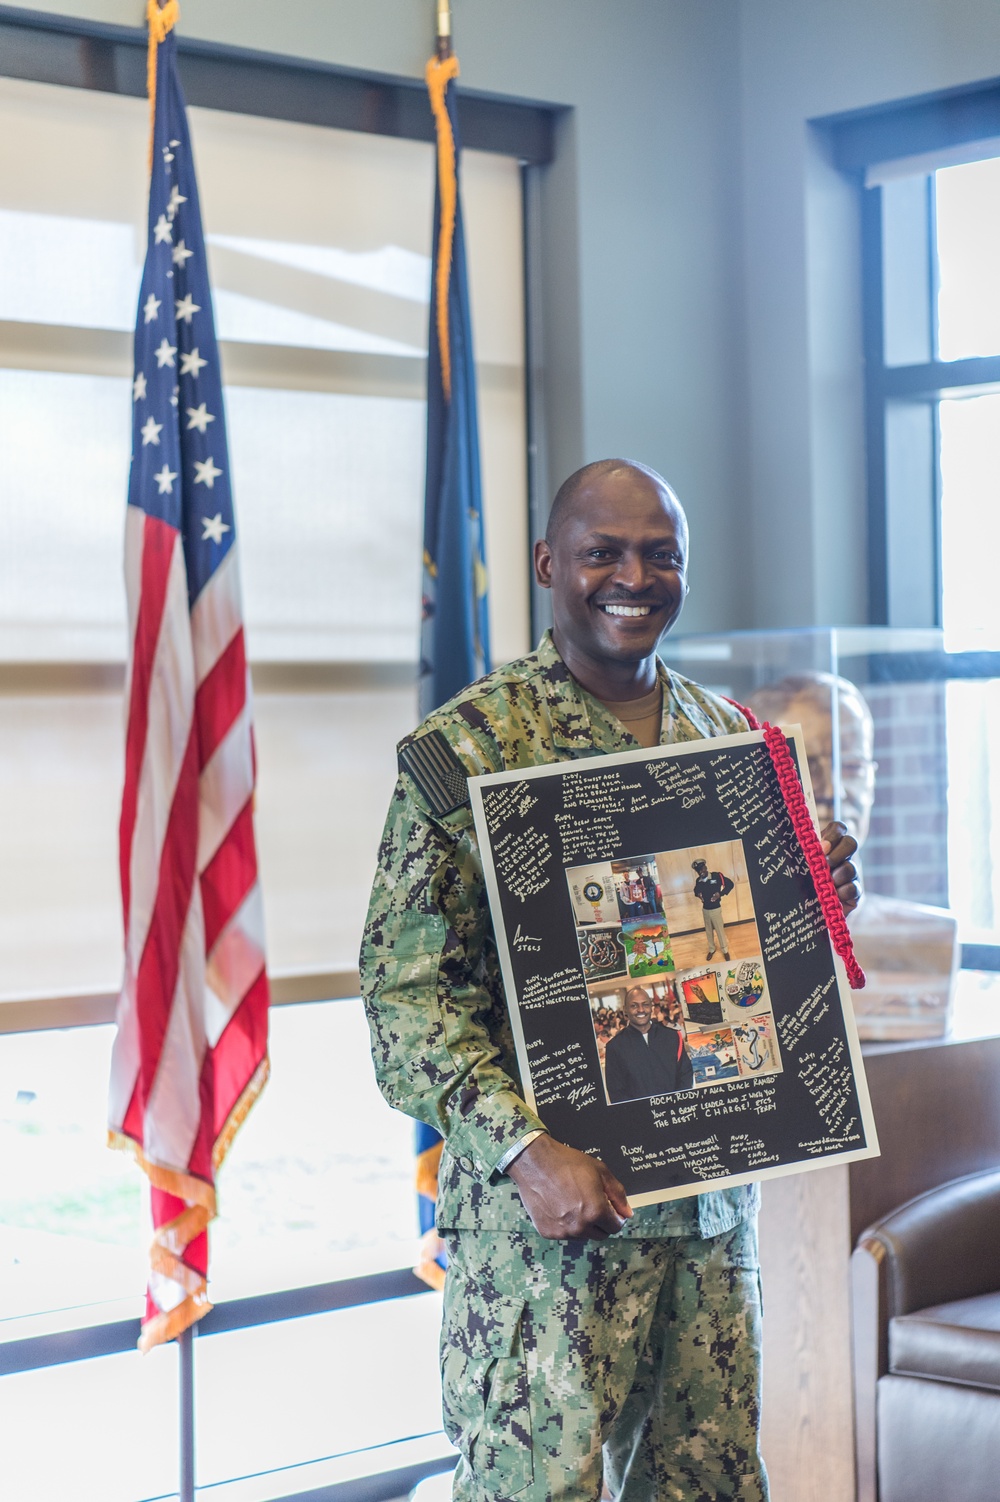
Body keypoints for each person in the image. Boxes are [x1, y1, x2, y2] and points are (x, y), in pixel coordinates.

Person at [360, 458, 860, 1502]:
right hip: (542, 1239)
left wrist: (805, 911)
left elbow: (730, 973)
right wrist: (524, 1149)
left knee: (712, 1488)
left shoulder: (734, 742)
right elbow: (407, 1001)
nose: (634, 577)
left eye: (659, 554)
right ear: (549, 563)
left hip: (708, 1222)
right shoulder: (470, 751)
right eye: (603, 552)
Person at [604, 986, 694, 1102]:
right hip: (640, 1112)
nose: (641, 1010)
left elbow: (685, 1075)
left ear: (651, 1007)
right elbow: (616, 1091)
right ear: (625, 1010)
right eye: (634, 1006)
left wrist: (676, 1104)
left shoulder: (672, 1037)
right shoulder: (615, 1047)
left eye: (645, 1004)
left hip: (676, 1108)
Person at [691, 857, 734, 961]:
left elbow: (730, 884)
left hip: (715, 910)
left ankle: (725, 950)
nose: (701, 872)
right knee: (709, 931)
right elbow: (695, 891)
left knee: (720, 931)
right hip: (705, 910)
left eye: (702, 869)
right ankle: (711, 949)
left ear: (705, 867)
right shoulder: (698, 881)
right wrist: (699, 895)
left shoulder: (716, 876)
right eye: (698, 871)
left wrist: (721, 893)